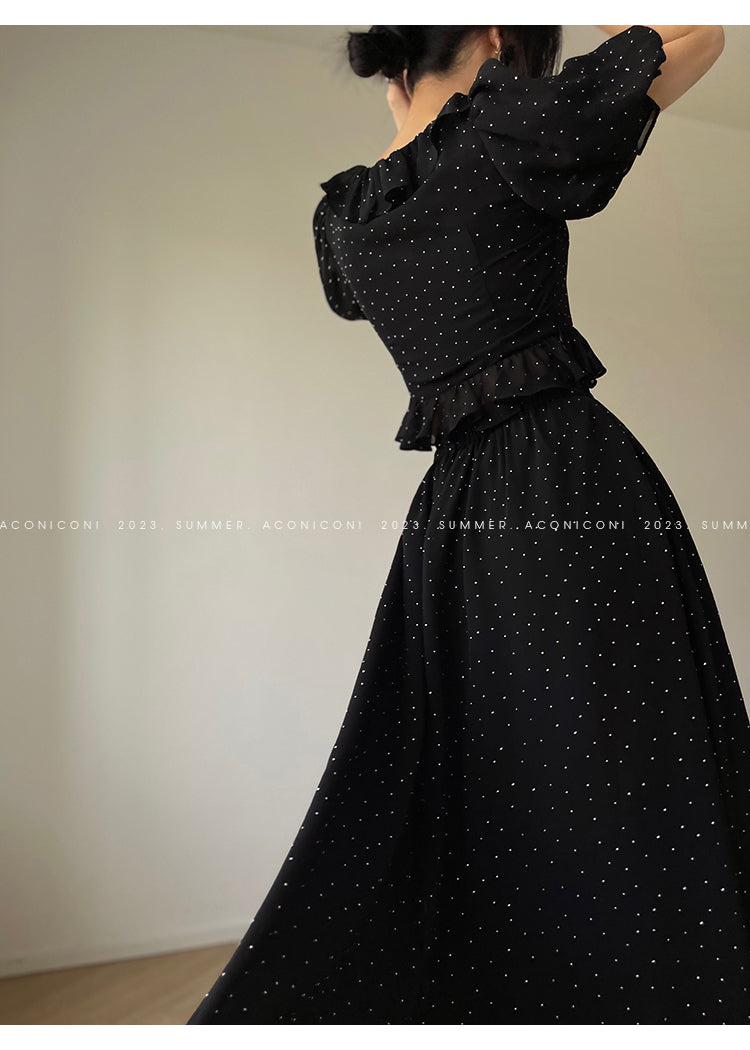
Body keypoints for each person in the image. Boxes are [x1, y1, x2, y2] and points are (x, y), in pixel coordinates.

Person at [187, 25, 750, 1023]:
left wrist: (429, 97)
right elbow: (699, 38)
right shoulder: (502, 129)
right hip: (568, 480)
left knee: (495, 763)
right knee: (622, 753)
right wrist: (537, 56)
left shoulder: (348, 216)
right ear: (492, 35)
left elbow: (370, 273)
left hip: (457, 509)